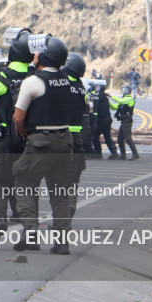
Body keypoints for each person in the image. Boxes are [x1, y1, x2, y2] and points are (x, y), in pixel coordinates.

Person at [11, 36, 73, 254]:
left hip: (41, 142)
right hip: (65, 141)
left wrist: (22, 130)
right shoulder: (66, 80)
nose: (34, 54)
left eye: (38, 52)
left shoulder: (33, 82)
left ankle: (30, 231)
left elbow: (18, 117)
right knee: (60, 193)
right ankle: (62, 243)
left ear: (46, 56)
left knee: (24, 180)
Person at [0, 30, 34, 238]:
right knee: (27, 182)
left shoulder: (1, 78)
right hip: (30, 140)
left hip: (5, 140)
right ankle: (28, 223)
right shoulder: (35, 77)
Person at [59, 52, 88, 218]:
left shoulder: (60, 83)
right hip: (77, 136)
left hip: (61, 133)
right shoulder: (81, 88)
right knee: (74, 175)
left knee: (57, 175)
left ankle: (61, 210)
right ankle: (70, 204)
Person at [110, 85, 139, 161]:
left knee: (128, 138)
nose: (124, 91)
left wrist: (111, 96)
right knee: (120, 139)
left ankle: (135, 154)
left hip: (127, 121)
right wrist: (107, 103)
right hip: (123, 121)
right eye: (123, 89)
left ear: (129, 91)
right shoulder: (123, 99)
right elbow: (115, 107)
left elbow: (120, 101)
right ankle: (123, 155)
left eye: (126, 90)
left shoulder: (129, 99)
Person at [92, 85, 119, 160]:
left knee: (95, 136)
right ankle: (114, 152)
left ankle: (98, 153)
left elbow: (95, 108)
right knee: (107, 137)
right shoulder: (105, 97)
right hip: (108, 119)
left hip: (101, 120)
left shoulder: (97, 96)